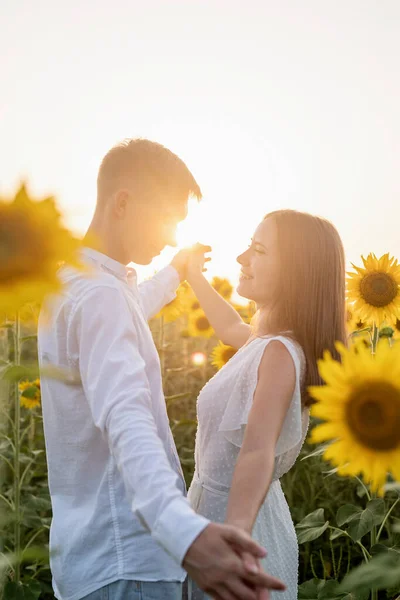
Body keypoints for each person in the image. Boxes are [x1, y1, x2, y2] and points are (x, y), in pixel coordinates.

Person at [37, 139, 286, 600]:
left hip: (85, 562)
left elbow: (128, 308)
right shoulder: (103, 297)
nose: (172, 237)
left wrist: (176, 271)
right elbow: (126, 418)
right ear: (124, 204)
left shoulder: (74, 285)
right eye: (167, 219)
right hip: (129, 565)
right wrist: (185, 535)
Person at [185, 210, 347, 599]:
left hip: (239, 520)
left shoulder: (278, 353)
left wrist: (237, 533)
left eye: (258, 250)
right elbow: (228, 328)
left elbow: (258, 449)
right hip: (230, 516)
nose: (242, 259)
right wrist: (192, 274)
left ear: (297, 272)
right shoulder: (265, 343)